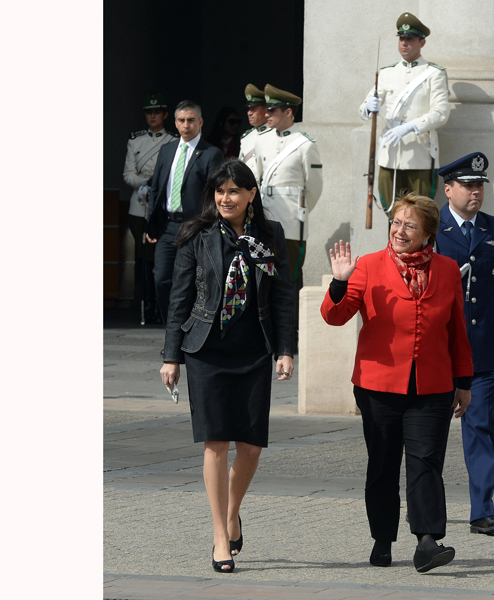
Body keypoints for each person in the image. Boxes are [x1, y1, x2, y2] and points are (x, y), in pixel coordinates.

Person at [320, 194, 473, 573]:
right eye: (396, 222)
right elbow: (335, 317)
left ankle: (427, 540)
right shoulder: (369, 266)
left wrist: (463, 381)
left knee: (425, 464)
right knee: (384, 464)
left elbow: (458, 330)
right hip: (378, 385)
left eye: (410, 226)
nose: (400, 230)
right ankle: (382, 538)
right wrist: (339, 283)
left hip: (433, 386)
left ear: (427, 235)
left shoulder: (448, 268)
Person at [160, 158, 296, 573]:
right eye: (220, 191)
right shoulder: (196, 236)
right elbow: (179, 298)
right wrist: (171, 356)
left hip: (254, 350)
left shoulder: (270, 236)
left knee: (251, 448)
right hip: (206, 350)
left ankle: (232, 510)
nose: (226, 198)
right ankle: (220, 535)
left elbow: (283, 296)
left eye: (234, 191)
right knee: (216, 443)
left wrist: (285, 350)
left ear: (252, 194)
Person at [435, 152, 494, 535]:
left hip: (481, 352)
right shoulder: (430, 229)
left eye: (479, 185)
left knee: (481, 428)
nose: (475, 192)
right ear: (447, 189)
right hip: (437, 352)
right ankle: (428, 516)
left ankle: (482, 509)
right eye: (467, 185)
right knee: (428, 437)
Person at [359, 12, 450, 216]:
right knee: (392, 213)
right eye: (402, 39)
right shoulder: (386, 73)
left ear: (422, 42)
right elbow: (364, 108)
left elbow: (441, 113)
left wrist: (410, 126)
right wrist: (368, 106)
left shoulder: (434, 73)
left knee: (419, 214)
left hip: (420, 155)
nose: (404, 43)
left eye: (410, 39)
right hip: (389, 155)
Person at [146, 100, 224, 325]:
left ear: (200, 122)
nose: (186, 125)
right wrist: (151, 223)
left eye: (191, 120)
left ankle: (189, 332)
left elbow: (213, 195)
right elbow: (158, 188)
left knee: (190, 282)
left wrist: (209, 228)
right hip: (168, 227)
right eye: (181, 120)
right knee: (161, 280)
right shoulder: (167, 150)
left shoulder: (211, 154)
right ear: (175, 122)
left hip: (195, 228)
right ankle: (171, 331)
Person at [255, 84, 323, 334]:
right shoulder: (261, 142)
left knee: (289, 278)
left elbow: (314, 188)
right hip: (266, 218)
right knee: (265, 275)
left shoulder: (304, 144)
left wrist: (299, 214)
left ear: (288, 112)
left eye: (272, 111)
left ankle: (290, 334)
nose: (267, 115)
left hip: (292, 222)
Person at [123, 92, 177, 323]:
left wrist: (156, 185)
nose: (153, 116)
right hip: (139, 203)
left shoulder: (173, 141)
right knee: (142, 257)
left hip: (162, 204)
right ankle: (144, 302)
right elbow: (128, 174)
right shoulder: (136, 140)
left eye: (157, 112)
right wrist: (143, 184)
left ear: (164, 114)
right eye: (149, 112)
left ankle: (160, 303)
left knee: (161, 257)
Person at [238, 84, 272, 182]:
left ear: (266, 109)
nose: (249, 113)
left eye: (254, 109)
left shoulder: (276, 134)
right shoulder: (246, 137)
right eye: (248, 109)